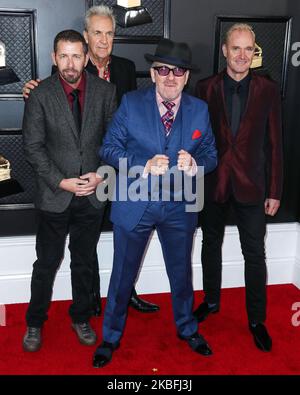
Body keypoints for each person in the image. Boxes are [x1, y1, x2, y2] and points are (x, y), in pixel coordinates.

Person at [22, 4, 159, 315]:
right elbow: (55, 100)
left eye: (109, 33)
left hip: (117, 170)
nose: (103, 39)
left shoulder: (123, 69)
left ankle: (126, 293)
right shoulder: (66, 71)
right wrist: (34, 87)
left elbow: (129, 120)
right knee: (82, 247)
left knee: (124, 235)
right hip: (74, 178)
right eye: (97, 32)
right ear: (85, 39)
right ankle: (91, 301)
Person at [92, 38, 218, 368]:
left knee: (181, 273)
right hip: (136, 204)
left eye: (178, 70)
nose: (170, 76)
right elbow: (108, 149)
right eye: (163, 69)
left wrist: (196, 165)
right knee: (122, 276)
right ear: (152, 73)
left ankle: (187, 328)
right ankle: (110, 336)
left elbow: (211, 155)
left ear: (187, 76)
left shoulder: (199, 110)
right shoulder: (131, 104)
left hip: (179, 206)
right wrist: (141, 163)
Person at [22, 29, 117, 352]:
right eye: (63, 55)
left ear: (87, 57)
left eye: (76, 55)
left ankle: (81, 317)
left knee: (84, 262)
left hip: (92, 195)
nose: (70, 63)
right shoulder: (40, 94)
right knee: (46, 263)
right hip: (54, 195)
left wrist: (101, 176)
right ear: (54, 58)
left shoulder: (106, 92)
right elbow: (33, 148)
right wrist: (61, 181)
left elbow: (115, 143)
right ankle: (34, 322)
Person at [193, 23, 283, 352]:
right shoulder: (204, 88)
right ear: (225, 51)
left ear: (254, 52)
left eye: (249, 49)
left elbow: (275, 143)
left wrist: (274, 190)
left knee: (255, 254)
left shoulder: (268, 90)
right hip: (213, 182)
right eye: (236, 48)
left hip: (252, 185)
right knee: (209, 245)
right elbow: (196, 137)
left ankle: (257, 319)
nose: (242, 55)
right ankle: (211, 301)